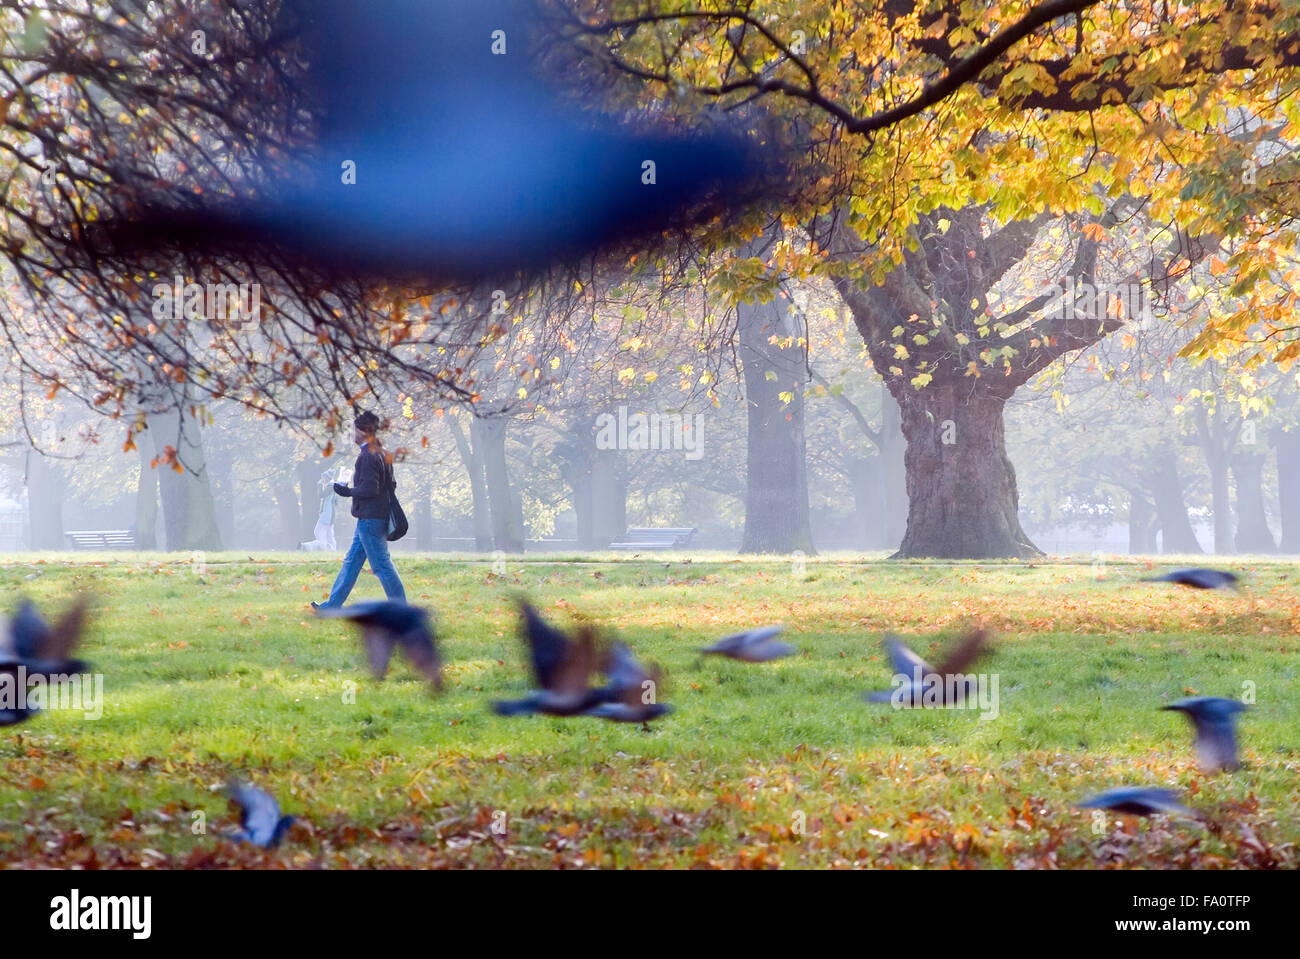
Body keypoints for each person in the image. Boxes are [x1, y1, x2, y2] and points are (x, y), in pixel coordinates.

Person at [312, 410, 406, 609]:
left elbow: (371, 487)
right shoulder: (382, 453)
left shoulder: (368, 456)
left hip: (371, 519)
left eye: (354, 430)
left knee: (382, 566)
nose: (352, 434)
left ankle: (401, 609)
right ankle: (331, 606)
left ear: (363, 431)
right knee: (351, 564)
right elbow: (390, 484)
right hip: (372, 518)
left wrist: (346, 491)